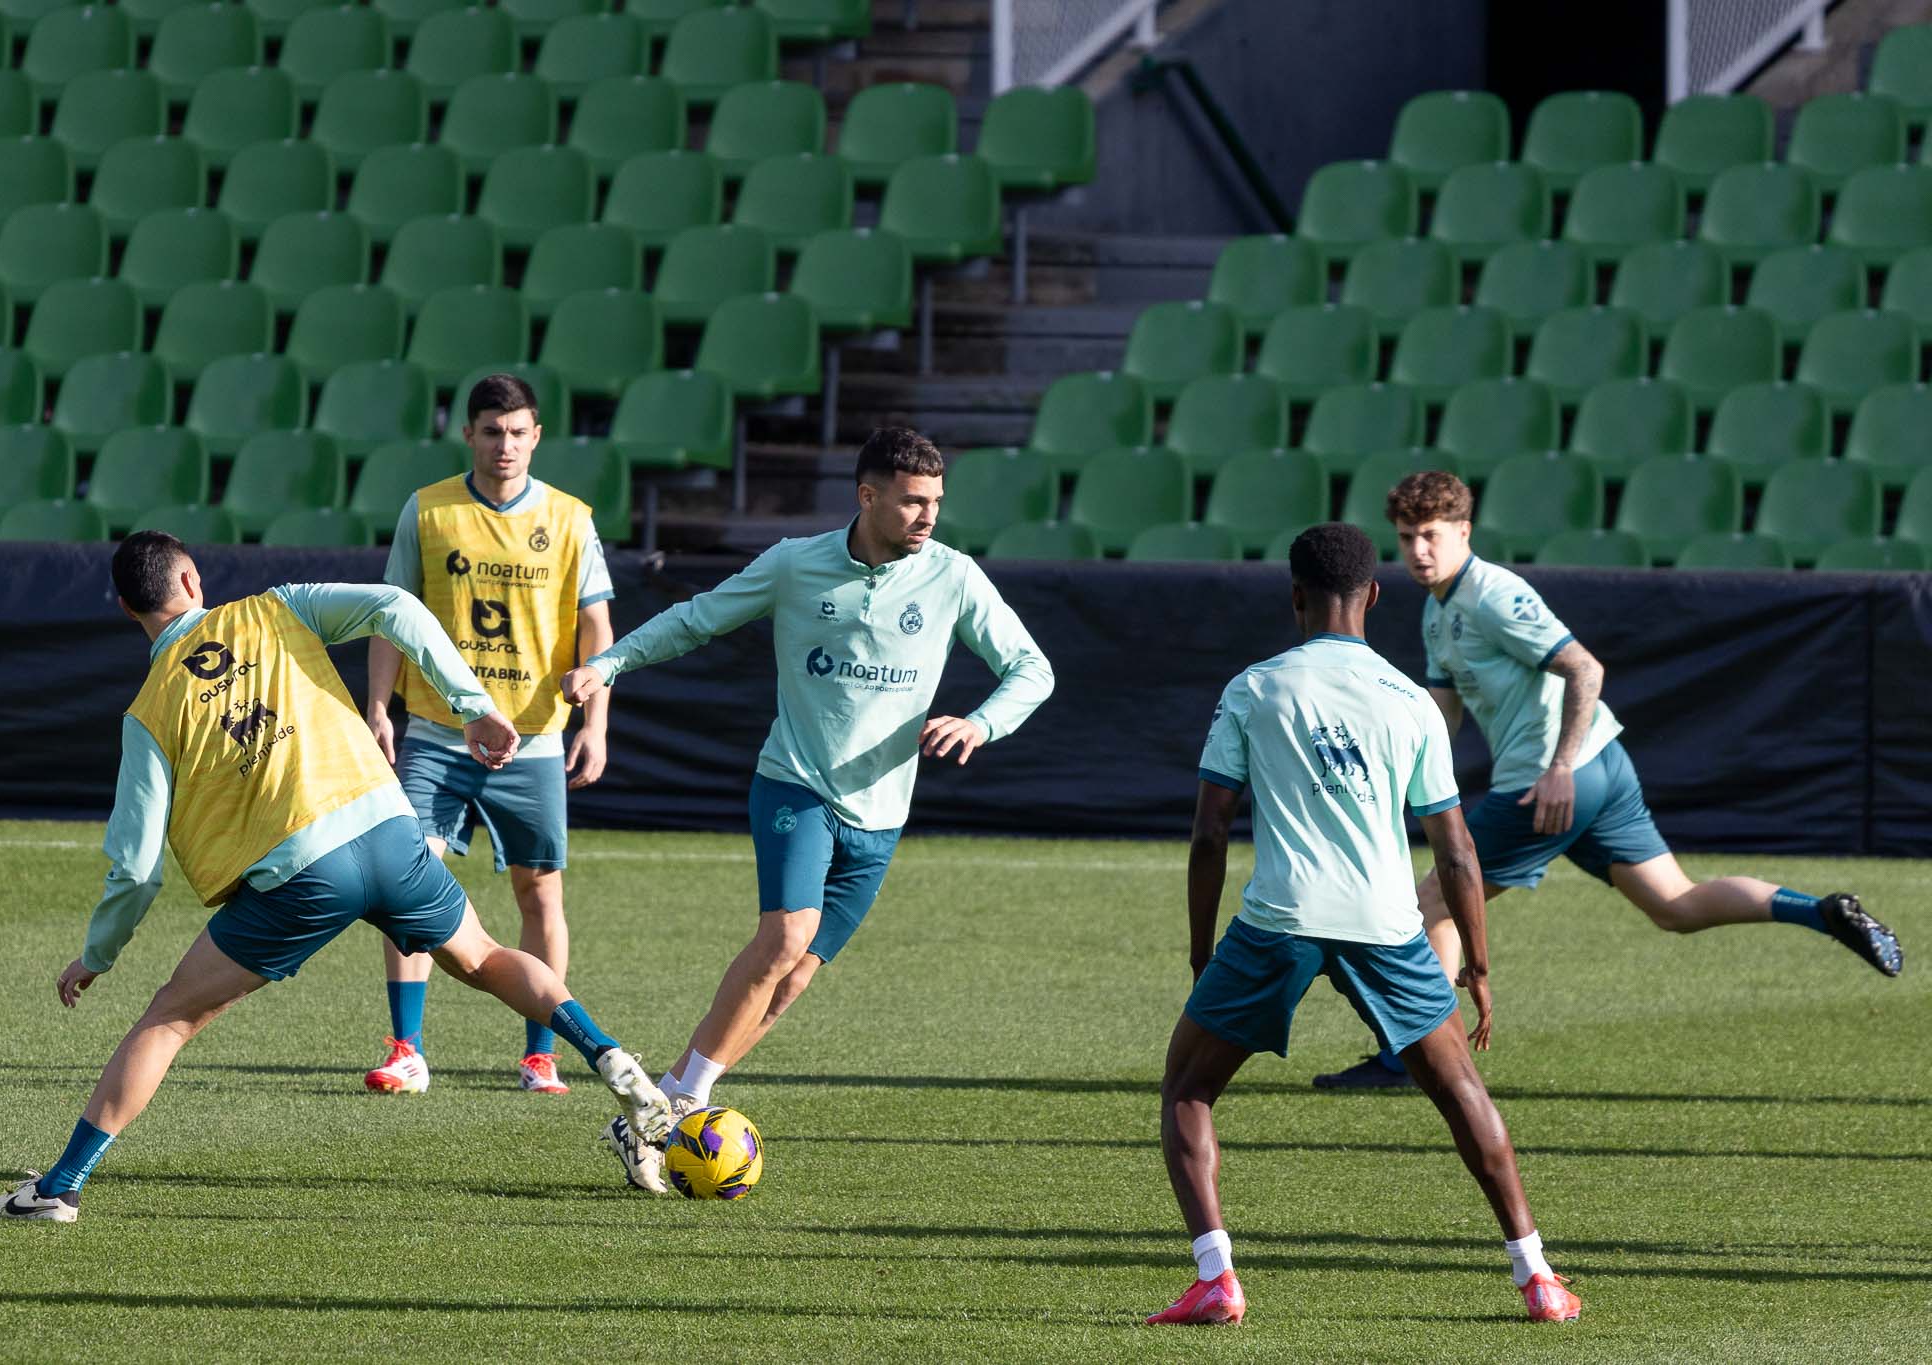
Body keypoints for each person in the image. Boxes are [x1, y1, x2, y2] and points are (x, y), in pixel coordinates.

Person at [0, 533, 670, 1222]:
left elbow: (135, 868)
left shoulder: (149, 710)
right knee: (485, 956)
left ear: (128, 610)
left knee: (169, 1017)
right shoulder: (273, 607)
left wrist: (97, 956)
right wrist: (472, 704)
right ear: (192, 581)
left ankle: (61, 1186)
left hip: (300, 877)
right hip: (389, 831)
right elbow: (394, 604)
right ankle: (609, 1056)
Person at [560, 428, 1055, 1192]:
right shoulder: (796, 561)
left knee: (792, 982)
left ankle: (645, 1118)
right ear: (868, 496)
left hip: (882, 816)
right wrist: (606, 663)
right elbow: (696, 617)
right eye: (914, 499)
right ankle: (678, 1109)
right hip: (796, 785)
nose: (929, 515)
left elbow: (1031, 667)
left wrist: (980, 722)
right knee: (784, 936)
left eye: (936, 501)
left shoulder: (953, 576)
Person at [1315, 472, 1904, 1090]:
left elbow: (1583, 668)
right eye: (1407, 538)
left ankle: (1414, 1060)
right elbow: (1444, 713)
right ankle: (1823, 912)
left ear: (1464, 531)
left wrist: (1561, 769)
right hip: (1601, 769)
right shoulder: (1439, 613)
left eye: (1431, 535)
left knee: (1430, 901)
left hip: (1551, 782)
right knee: (1676, 906)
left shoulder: (1491, 594)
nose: (1418, 551)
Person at [1151, 523, 1579, 1326]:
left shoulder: (1254, 687)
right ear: (1375, 595)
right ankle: (1539, 1277)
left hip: (1280, 917)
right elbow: (1454, 848)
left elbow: (1210, 833)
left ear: (1295, 597)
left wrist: (1202, 947)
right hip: (1388, 924)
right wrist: (1478, 964)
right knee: (1461, 1091)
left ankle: (1216, 1277)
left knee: (1188, 1087)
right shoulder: (1410, 701)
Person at [360, 373, 614, 1097]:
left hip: (532, 737)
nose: (505, 445)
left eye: (519, 431)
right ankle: (406, 1048)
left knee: (541, 894)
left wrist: (596, 721)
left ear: (537, 436)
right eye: (492, 431)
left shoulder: (569, 518)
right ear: (468, 434)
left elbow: (597, 628)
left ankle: (542, 1054)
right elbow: (390, 615)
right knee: (406, 883)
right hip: (439, 734)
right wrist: (381, 708)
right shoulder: (429, 510)